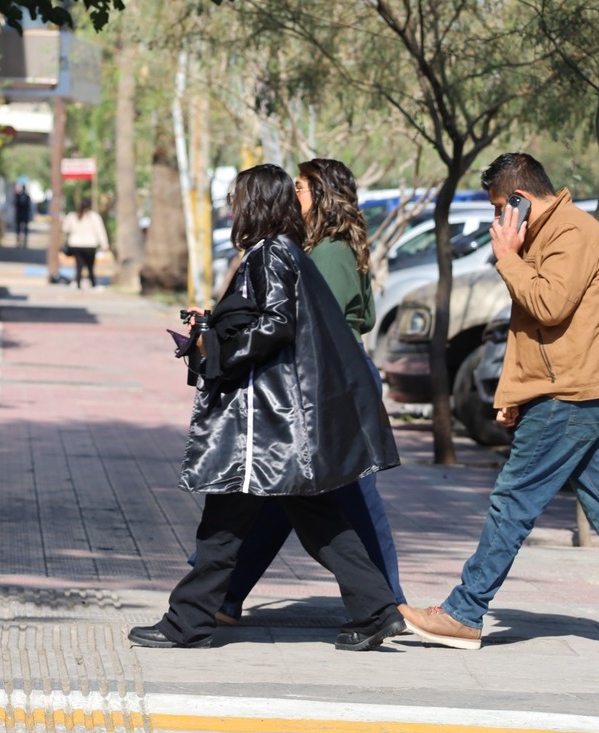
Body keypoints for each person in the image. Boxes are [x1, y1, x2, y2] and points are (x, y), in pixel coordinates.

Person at [400, 153, 599, 657]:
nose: (496, 221)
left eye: (499, 208)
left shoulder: (571, 234)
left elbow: (549, 305)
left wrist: (507, 257)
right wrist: (514, 395)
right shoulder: (552, 234)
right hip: (582, 388)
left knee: (514, 499)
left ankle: (464, 612)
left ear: (521, 200)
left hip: (574, 394)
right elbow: (535, 331)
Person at [128, 164, 406, 651]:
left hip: (266, 429)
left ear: (256, 202)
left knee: (223, 525)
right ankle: (377, 610)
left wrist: (218, 352)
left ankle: (187, 622)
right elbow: (268, 319)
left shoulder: (272, 253)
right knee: (318, 523)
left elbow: (277, 323)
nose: (232, 207)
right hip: (277, 428)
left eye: (238, 198)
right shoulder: (280, 251)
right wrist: (214, 327)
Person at [210, 158, 406, 625]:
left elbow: (321, 326)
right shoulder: (318, 247)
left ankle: (387, 601)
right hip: (327, 379)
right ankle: (226, 595)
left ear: (321, 196)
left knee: (351, 503)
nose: (292, 195)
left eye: (300, 188)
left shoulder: (329, 253)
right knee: (287, 500)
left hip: (331, 383)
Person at [61, 198, 109, 289]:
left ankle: (78, 282)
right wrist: (104, 244)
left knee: (79, 265)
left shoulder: (73, 216)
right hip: (90, 245)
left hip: (76, 244)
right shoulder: (94, 217)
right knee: (90, 266)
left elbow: (65, 229)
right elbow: (100, 231)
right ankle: (93, 283)